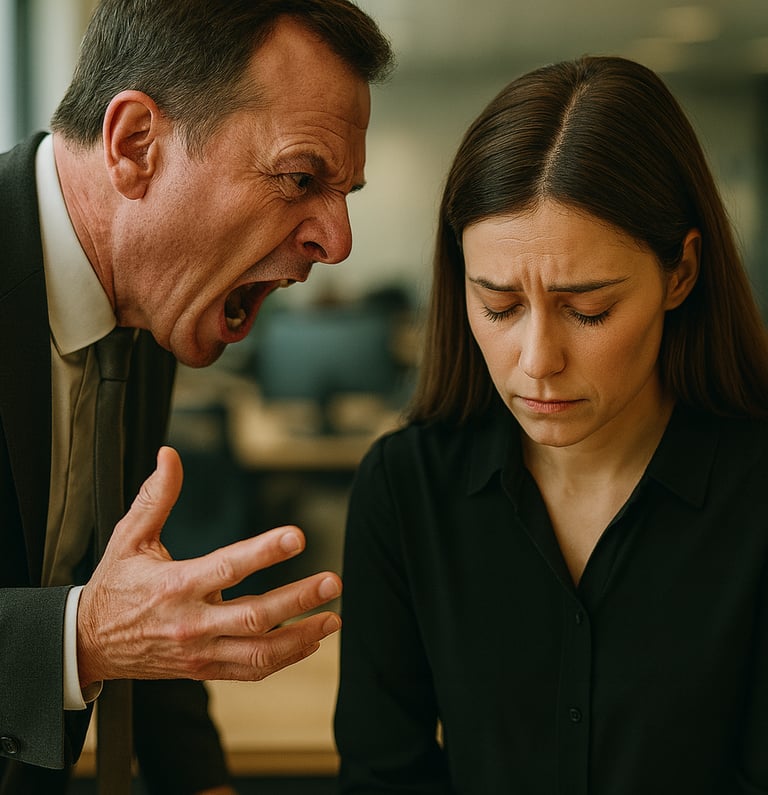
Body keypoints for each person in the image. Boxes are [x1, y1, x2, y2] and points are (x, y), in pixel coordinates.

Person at [333, 55, 768, 794]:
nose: (536, 360)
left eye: (588, 308)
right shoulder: (407, 488)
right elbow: (384, 774)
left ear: (681, 274)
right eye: (498, 306)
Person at [0, 1, 393, 793]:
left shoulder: (149, 299)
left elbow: (133, 609)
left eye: (343, 191)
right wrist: (81, 639)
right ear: (136, 145)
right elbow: (107, 626)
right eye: (300, 177)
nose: (338, 242)